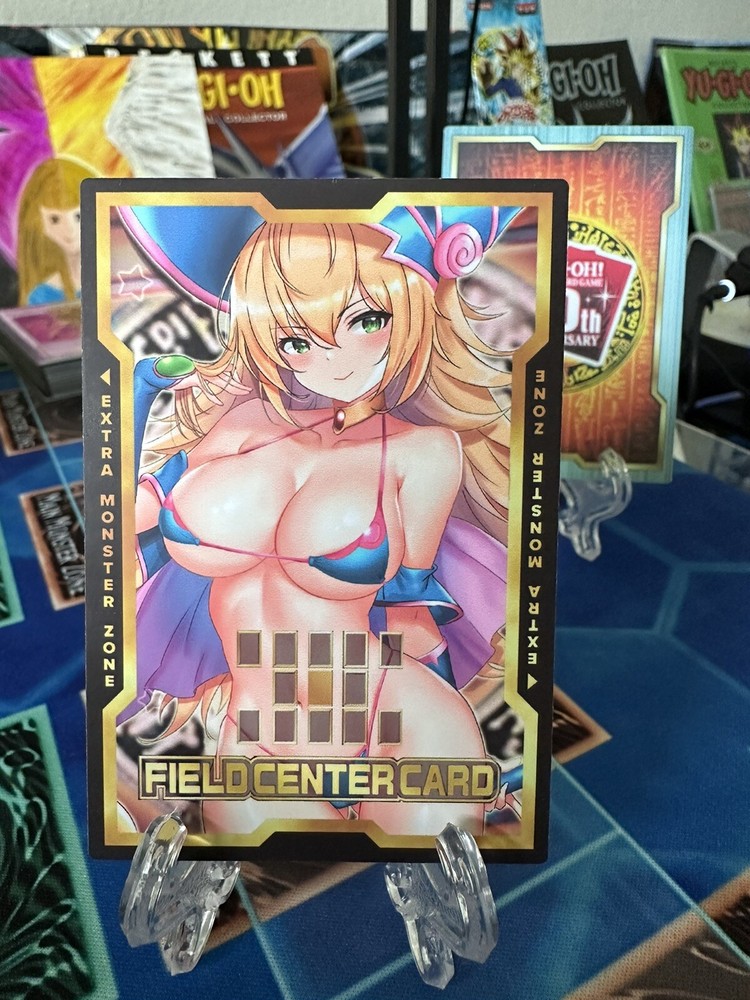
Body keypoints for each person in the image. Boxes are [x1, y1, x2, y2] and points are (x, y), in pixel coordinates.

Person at [125, 203, 518, 837]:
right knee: (271, 886)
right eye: (296, 338)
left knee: (431, 882)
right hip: (255, 736)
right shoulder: (238, 425)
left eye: (366, 320)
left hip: (391, 718)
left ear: (414, 312)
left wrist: (480, 758)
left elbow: (411, 613)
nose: (333, 358)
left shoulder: (423, 452)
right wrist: (130, 405)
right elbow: (129, 518)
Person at [16, 157, 94, 306]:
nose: (69, 229)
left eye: (78, 216)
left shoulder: (115, 278)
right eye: (55, 219)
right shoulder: (42, 296)